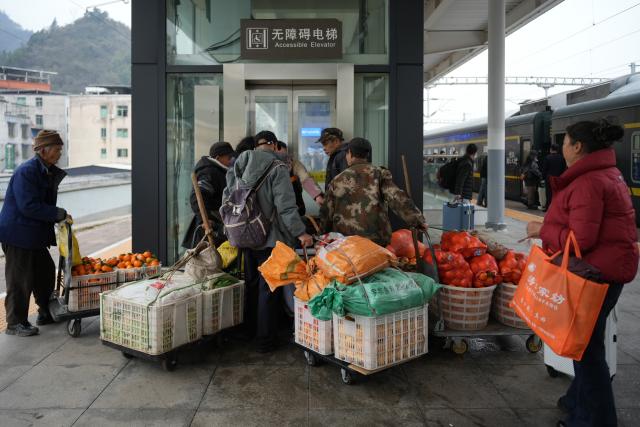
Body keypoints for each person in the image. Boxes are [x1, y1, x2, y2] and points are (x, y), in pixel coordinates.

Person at [525, 119, 638, 427]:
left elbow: (582, 240)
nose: (562, 147)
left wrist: (542, 229)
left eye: (565, 142)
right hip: (606, 271)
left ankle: (596, 419)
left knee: (587, 352)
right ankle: (576, 400)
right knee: (587, 343)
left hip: (596, 274)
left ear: (577, 147)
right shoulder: (605, 174)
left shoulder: (588, 181)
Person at [223, 130, 313, 353]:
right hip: (269, 238)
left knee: (251, 285)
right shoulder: (278, 167)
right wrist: (300, 231)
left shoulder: (239, 164)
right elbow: (285, 205)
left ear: (256, 145)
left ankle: (249, 331)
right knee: (268, 289)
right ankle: (265, 340)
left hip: (244, 235)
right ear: (273, 145)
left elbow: (228, 196)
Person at [0, 130, 69, 337]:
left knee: (45, 273)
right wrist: (58, 214)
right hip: (18, 234)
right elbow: (28, 206)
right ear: (43, 150)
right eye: (57, 149)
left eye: (60, 149)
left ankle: (45, 312)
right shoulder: (27, 171)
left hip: (33, 235)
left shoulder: (45, 170)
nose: (59, 153)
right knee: (20, 280)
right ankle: (15, 323)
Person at [320, 137, 427, 246]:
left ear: (350, 154)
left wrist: (323, 236)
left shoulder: (337, 180)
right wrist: (417, 220)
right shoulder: (379, 174)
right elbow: (396, 197)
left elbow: (326, 212)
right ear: (367, 155)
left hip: (346, 241)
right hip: (376, 240)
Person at [182, 141, 235, 249]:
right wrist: (205, 221)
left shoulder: (219, 170)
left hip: (217, 225)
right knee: (209, 261)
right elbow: (197, 198)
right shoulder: (209, 172)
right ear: (218, 157)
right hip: (209, 227)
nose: (231, 160)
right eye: (228, 157)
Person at [275, 141, 325, 211]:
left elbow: (305, 178)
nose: (284, 158)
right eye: (280, 154)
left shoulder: (294, 164)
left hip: (294, 205)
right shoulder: (267, 166)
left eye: (285, 154)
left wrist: (317, 196)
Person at [541, 143, 567, 211]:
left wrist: (543, 178)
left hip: (549, 179)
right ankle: (557, 208)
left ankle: (549, 208)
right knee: (558, 193)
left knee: (549, 194)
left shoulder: (547, 158)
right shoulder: (562, 158)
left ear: (551, 149)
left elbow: (544, 170)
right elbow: (564, 169)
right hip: (558, 179)